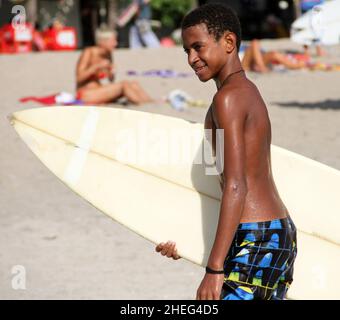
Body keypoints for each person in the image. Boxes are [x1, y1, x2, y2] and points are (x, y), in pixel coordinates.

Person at [155, 4, 297, 300]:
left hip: (255, 238)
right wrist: (187, 244)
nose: (192, 59)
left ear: (229, 43)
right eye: (186, 51)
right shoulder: (244, 93)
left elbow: (235, 184)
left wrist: (214, 268)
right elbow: (216, 185)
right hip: (274, 234)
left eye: (198, 47)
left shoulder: (228, 100)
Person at [76, 28, 152, 104]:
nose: (116, 44)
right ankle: (141, 104)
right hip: (86, 94)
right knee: (124, 84)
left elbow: (110, 79)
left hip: (100, 89)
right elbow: (79, 78)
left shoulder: (108, 54)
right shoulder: (89, 52)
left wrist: (111, 73)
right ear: (103, 42)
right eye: (113, 41)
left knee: (134, 84)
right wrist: (97, 67)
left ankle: (151, 103)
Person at [240, 39, 311, 73]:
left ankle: (295, 66)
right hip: (243, 64)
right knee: (254, 42)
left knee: (273, 54)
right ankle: (261, 67)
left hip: (255, 59)